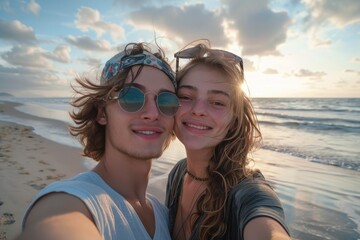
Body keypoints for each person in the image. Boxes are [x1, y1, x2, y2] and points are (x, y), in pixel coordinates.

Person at [19, 42, 180, 240]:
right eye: (131, 97)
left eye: (166, 101)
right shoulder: (74, 200)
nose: (153, 113)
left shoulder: (164, 214)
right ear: (102, 112)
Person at [165, 41, 291, 240]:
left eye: (217, 102)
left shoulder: (248, 193)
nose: (198, 110)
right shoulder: (178, 174)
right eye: (186, 96)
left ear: (235, 118)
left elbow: (269, 231)